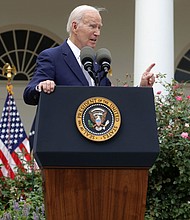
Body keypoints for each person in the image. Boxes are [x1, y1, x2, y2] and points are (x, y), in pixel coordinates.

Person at [23, 4, 155, 106]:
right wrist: (42, 86)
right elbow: (29, 95)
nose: (97, 33)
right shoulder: (52, 57)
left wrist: (142, 88)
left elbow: (114, 99)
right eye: (92, 26)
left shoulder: (96, 63)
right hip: (63, 136)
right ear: (75, 27)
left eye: (99, 27)